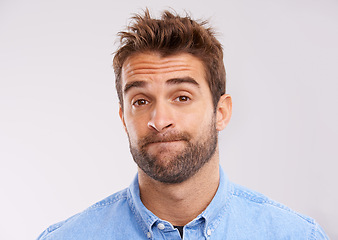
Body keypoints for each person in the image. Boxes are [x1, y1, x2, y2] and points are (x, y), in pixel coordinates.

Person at [37, 9, 329, 240]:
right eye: (140, 101)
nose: (160, 121)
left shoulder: (297, 236)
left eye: (182, 97)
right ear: (123, 119)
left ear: (221, 112)